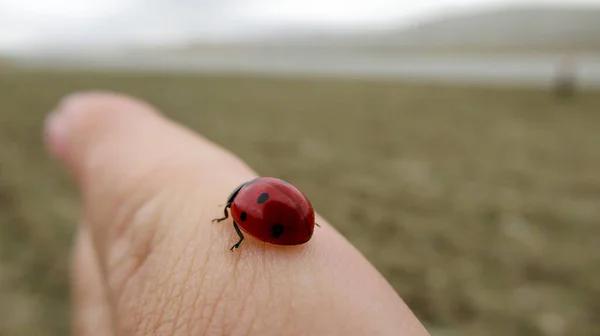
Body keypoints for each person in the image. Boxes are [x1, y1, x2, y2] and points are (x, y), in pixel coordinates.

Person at [43, 92, 430, 335]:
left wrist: (238, 235)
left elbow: (250, 219)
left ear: (231, 209)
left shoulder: (239, 208)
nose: (230, 216)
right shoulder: (251, 194)